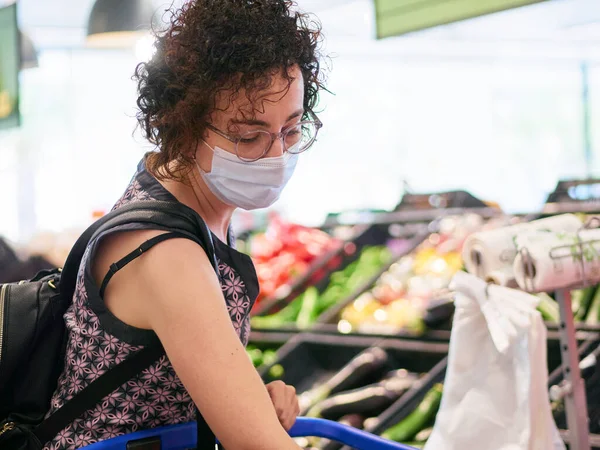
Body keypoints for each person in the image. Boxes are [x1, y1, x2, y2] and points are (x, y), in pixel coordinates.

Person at [43, 1, 325, 449]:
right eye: (249, 137)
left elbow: (161, 370)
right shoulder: (165, 253)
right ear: (186, 126)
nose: (276, 156)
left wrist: (247, 398)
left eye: (291, 131)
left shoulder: (182, 195)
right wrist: (252, 426)